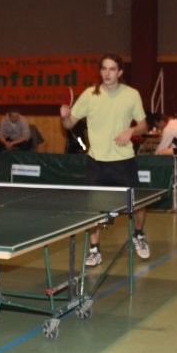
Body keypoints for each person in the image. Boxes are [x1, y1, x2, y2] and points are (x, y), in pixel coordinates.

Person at [59, 54, 150, 267]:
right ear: (100, 71)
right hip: (97, 162)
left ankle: (138, 234)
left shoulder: (131, 95)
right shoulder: (89, 95)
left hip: (123, 161)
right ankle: (94, 250)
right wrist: (64, 116)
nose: (107, 73)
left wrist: (131, 130)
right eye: (104, 69)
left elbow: (144, 125)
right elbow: (69, 124)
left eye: (112, 69)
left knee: (138, 204)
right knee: (93, 210)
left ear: (120, 72)